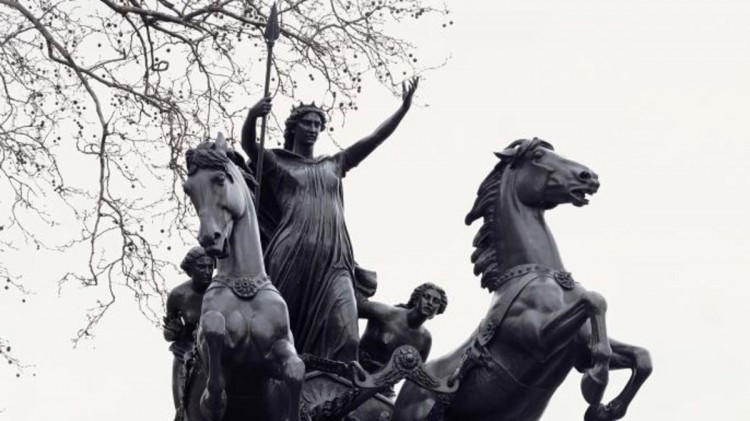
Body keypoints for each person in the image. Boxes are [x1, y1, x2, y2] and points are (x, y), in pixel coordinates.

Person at [241, 78, 419, 362]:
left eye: (317, 125)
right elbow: (249, 146)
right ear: (293, 127)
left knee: (347, 337)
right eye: (307, 123)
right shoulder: (278, 163)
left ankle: (333, 396)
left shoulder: (334, 164)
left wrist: (403, 109)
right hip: (291, 253)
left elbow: (373, 139)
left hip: (334, 259)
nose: (313, 129)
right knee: (277, 335)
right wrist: (252, 116)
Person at [358, 283, 448, 378]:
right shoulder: (386, 313)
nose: (430, 302)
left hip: (383, 388)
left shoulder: (425, 339)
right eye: (426, 297)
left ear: (438, 309)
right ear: (416, 299)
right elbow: (350, 308)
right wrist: (350, 342)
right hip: (352, 373)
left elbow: (414, 376)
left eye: (436, 301)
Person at [163, 246, 214, 410]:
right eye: (201, 267)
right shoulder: (177, 296)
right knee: (182, 409)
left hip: (216, 351)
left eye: (210, 266)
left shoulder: (220, 291)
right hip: (186, 352)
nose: (207, 271)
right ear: (190, 269)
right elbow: (168, 334)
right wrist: (172, 331)